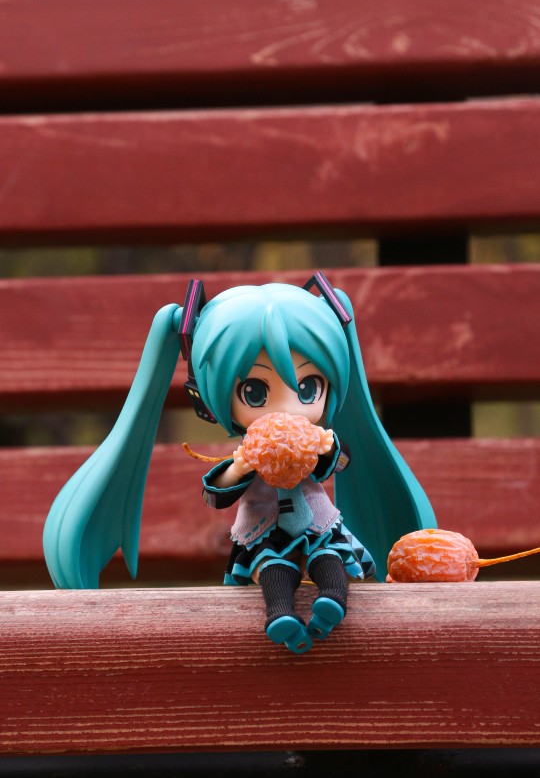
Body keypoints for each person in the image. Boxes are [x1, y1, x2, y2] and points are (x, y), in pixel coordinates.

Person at [44, 273, 436, 653]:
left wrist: (325, 445)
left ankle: (332, 601)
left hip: (317, 525)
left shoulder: (317, 442)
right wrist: (243, 465)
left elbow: (339, 463)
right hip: (266, 533)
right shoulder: (246, 455)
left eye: (307, 388)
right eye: (254, 392)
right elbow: (214, 495)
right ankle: (280, 617)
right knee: (274, 571)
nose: (287, 410)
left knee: (330, 561)